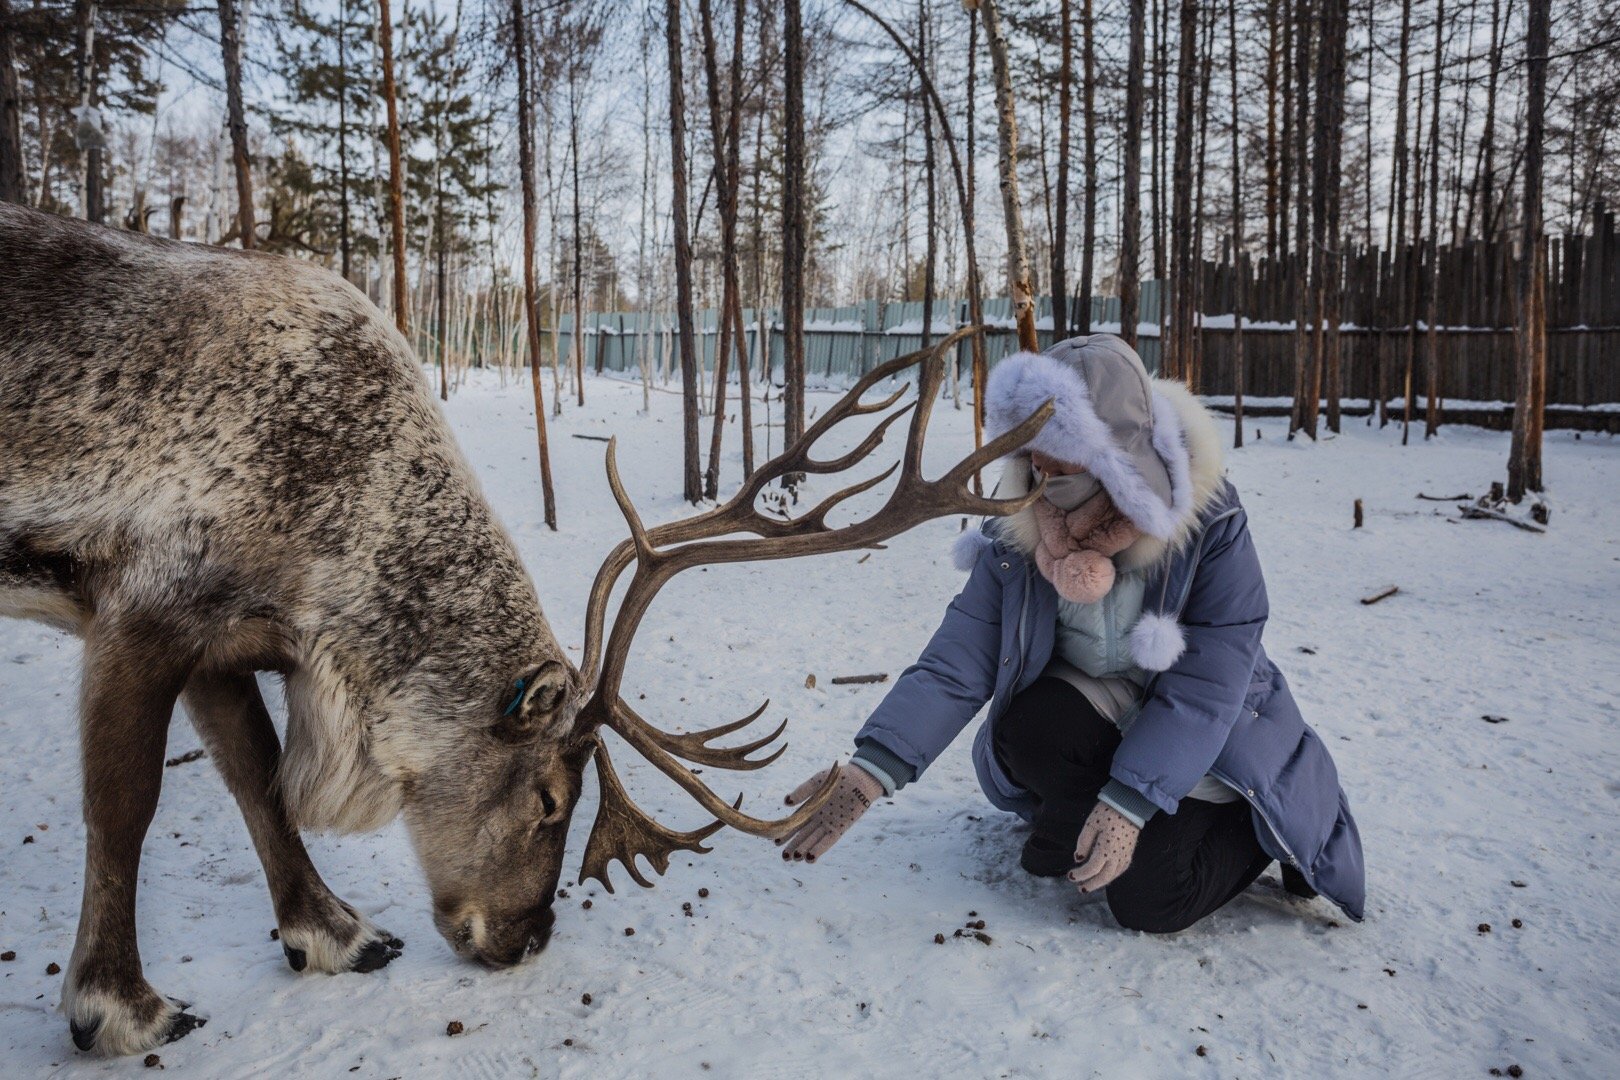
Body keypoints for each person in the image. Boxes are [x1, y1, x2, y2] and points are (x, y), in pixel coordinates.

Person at [777, 335, 1364, 932]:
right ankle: (1095, 812)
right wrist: (873, 767)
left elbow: (1206, 690)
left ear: (1118, 454)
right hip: (1106, 709)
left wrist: (1129, 803)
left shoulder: (1209, 524)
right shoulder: (1019, 527)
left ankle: (1254, 832)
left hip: (1215, 738)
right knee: (1025, 728)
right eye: (1034, 453)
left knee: (1150, 902)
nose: (1043, 472)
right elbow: (958, 662)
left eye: (1063, 456)